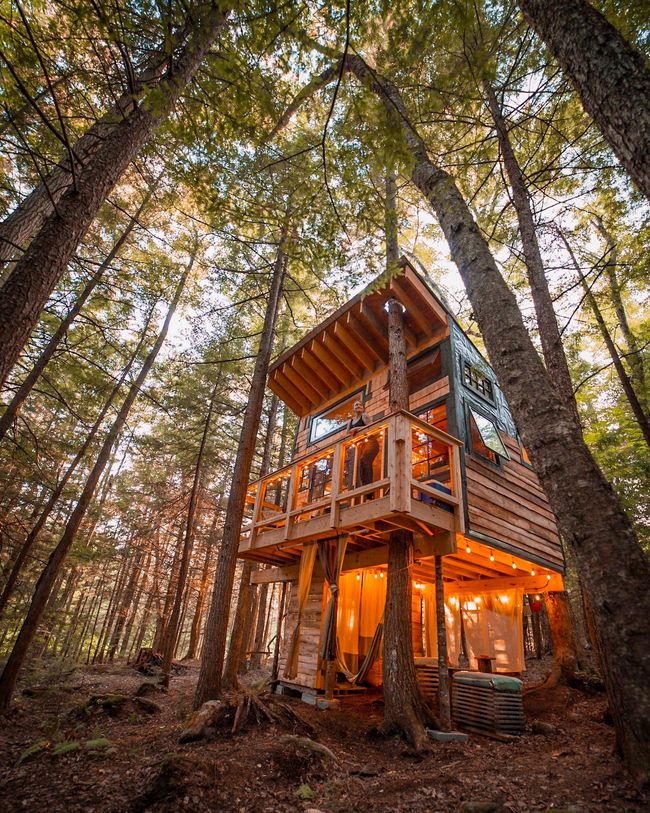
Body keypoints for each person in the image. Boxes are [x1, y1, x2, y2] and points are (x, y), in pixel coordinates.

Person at [348, 400, 380, 493]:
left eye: (360, 405)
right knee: (362, 465)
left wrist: (356, 428)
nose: (358, 406)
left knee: (364, 461)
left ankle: (369, 490)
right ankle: (366, 490)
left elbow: (372, 427)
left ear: (363, 408)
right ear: (353, 408)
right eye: (356, 405)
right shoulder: (350, 421)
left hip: (371, 442)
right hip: (362, 445)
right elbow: (348, 433)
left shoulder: (364, 415)